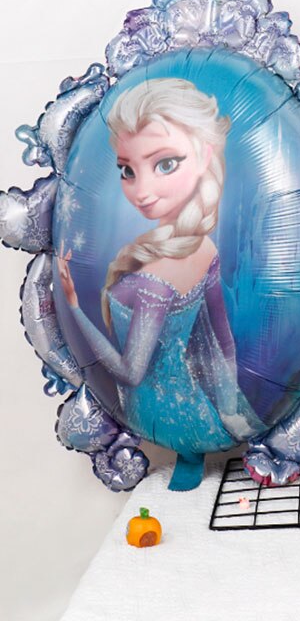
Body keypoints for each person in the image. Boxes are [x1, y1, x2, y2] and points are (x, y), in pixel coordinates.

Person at [57, 78, 263, 490]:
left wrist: (74, 307)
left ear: (205, 156)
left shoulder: (159, 276)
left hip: (156, 413)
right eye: (127, 171)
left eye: (166, 164)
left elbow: (131, 373)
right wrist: (227, 409)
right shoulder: (204, 247)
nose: (142, 192)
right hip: (195, 407)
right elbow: (222, 341)